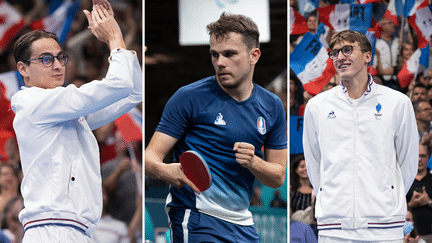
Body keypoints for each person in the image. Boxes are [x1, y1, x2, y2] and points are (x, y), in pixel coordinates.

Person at [145, 12, 287, 242]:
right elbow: (150, 157)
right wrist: (165, 170)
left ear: (254, 55)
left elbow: (278, 177)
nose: (220, 62)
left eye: (230, 54)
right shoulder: (188, 97)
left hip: (242, 222)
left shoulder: (272, 106)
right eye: (215, 55)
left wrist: (254, 162)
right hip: (195, 217)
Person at [10, 0, 142, 241]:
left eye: (61, 58)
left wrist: (119, 40)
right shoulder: (34, 103)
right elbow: (120, 84)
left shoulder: (67, 114)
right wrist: (113, 37)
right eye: (46, 60)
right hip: (53, 230)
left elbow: (133, 93)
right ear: (23, 69)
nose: (58, 65)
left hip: (74, 230)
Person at [303, 30, 418, 242]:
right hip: (334, 228)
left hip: (384, 227)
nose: (340, 57)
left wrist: (388, 198)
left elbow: (408, 163)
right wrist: (332, 201)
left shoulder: (398, 103)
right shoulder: (317, 106)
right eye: (335, 53)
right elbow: (314, 163)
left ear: (367, 56)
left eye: (347, 49)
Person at [406, 144, 432, 241]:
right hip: (409, 236)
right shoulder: (404, 182)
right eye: (416, 156)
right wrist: (410, 205)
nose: (419, 159)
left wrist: (428, 202)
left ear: (428, 157)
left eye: (422, 156)